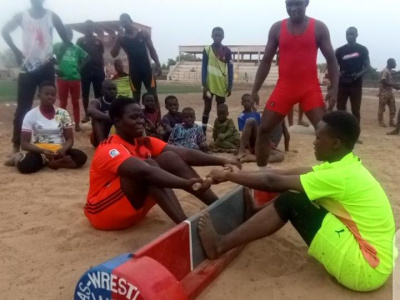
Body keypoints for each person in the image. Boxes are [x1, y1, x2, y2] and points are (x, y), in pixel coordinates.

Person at [200, 111, 396, 292]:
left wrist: (229, 177)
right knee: (300, 190)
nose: (314, 142)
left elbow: (272, 182)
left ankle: (220, 245)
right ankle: (257, 212)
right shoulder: (345, 165)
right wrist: (241, 174)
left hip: (365, 269)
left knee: (291, 200)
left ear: (336, 143)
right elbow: (288, 173)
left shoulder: (339, 177)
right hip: (376, 262)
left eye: (318, 138)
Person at [85, 97, 240, 230]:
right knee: (149, 167)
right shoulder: (109, 148)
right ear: (117, 122)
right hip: (103, 214)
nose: (140, 121)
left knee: (169, 157)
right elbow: (145, 172)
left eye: (141, 116)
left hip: (134, 212)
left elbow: (184, 153)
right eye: (134, 117)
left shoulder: (144, 141)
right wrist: (186, 183)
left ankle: (218, 206)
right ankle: (184, 225)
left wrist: (222, 160)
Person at [251, 0, 339, 168]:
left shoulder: (318, 27)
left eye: (297, 4)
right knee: (263, 130)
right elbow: (266, 61)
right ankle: (261, 176)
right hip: (285, 88)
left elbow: (332, 60)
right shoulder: (277, 28)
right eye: (289, 4)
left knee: (325, 132)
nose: (293, 8)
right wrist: (255, 89)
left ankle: (331, 175)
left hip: (309, 88)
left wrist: (334, 89)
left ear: (306, 3)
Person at [2, 0, 71, 154]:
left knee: (49, 104)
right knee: (23, 107)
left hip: (46, 65)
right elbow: (5, 31)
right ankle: (16, 145)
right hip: (27, 66)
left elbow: (66, 40)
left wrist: (57, 57)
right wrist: (15, 51)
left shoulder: (52, 17)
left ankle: (52, 141)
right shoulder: (22, 16)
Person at [5, 81, 87, 173]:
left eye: (53, 94)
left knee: (81, 157)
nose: (50, 97)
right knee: (25, 166)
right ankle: (17, 157)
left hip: (58, 151)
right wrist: (43, 151)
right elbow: (24, 144)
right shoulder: (31, 115)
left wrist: (63, 149)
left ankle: (51, 163)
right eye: (46, 94)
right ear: (39, 95)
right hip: (40, 151)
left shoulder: (62, 113)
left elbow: (69, 140)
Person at [111, 13, 162, 116]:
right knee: (135, 98)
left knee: (153, 95)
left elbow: (152, 50)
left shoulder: (142, 33)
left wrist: (158, 64)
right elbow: (113, 54)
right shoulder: (122, 38)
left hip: (147, 70)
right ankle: (138, 119)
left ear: (131, 21)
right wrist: (118, 38)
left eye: (125, 21)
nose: (124, 24)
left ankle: (158, 119)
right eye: (122, 23)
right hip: (134, 72)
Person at [53, 27, 89, 132]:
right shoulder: (57, 46)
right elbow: (47, 55)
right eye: (66, 33)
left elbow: (87, 57)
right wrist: (55, 68)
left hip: (75, 78)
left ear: (72, 36)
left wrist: (80, 67)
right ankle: (60, 125)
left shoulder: (76, 48)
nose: (68, 35)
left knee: (75, 102)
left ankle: (77, 125)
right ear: (62, 34)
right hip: (62, 78)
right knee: (62, 103)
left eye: (70, 34)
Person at [237, 93, 290, 164]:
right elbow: (286, 135)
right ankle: (241, 152)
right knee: (250, 120)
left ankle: (252, 158)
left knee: (280, 156)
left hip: (266, 147)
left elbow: (286, 135)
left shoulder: (280, 120)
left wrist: (287, 150)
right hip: (259, 142)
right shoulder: (268, 118)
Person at [336, 27, 370, 128]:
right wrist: (337, 73)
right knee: (340, 108)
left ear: (356, 35)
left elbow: (367, 67)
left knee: (355, 110)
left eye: (352, 34)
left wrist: (358, 75)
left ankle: (355, 133)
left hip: (356, 84)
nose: (349, 36)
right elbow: (333, 65)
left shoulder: (362, 49)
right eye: (347, 34)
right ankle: (341, 132)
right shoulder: (340, 50)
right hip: (342, 83)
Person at [201, 27, 233, 134]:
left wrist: (230, 85)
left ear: (223, 37)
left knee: (221, 109)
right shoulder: (207, 50)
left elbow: (230, 69)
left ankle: (220, 132)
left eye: (220, 35)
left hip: (221, 85)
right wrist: (204, 84)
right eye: (216, 35)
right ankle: (203, 131)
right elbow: (204, 67)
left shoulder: (227, 51)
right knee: (207, 108)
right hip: (209, 85)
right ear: (212, 36)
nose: (218, 37)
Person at [77, 20, 105, 123]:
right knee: (85, 94)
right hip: (85, 71)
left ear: (93, 28)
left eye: (91, 27)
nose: (89, 29)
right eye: (87, 27)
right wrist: (78, 68)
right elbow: (78, 56)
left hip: (98, 71)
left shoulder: (98, 42)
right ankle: (87, 115)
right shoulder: (80, 41)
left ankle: (98, 113)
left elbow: (101, 56)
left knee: (99, 94)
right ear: (84, 28)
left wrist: (102, 70)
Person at [87, 80, 117, 147]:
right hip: (99, 136)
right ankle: (103, 146)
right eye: (109, 89)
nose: (112, 91)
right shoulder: (97, 102)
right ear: (102, 91)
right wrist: (109, 117)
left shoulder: (120, 102)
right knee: (96, 119)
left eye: (114, 89)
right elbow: (90, 111)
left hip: (116, 134)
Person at [378, 59, 399, 128]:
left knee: (393, 108)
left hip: (389, 92)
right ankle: (381, 122)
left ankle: (391, 122)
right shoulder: (385, 71)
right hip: (384, 92)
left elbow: (392, 74)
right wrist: (394, 85)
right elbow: (383, 81)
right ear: (390, 63)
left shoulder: (388, 71)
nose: (395, 64)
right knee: (382, 108)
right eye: (394, 63)